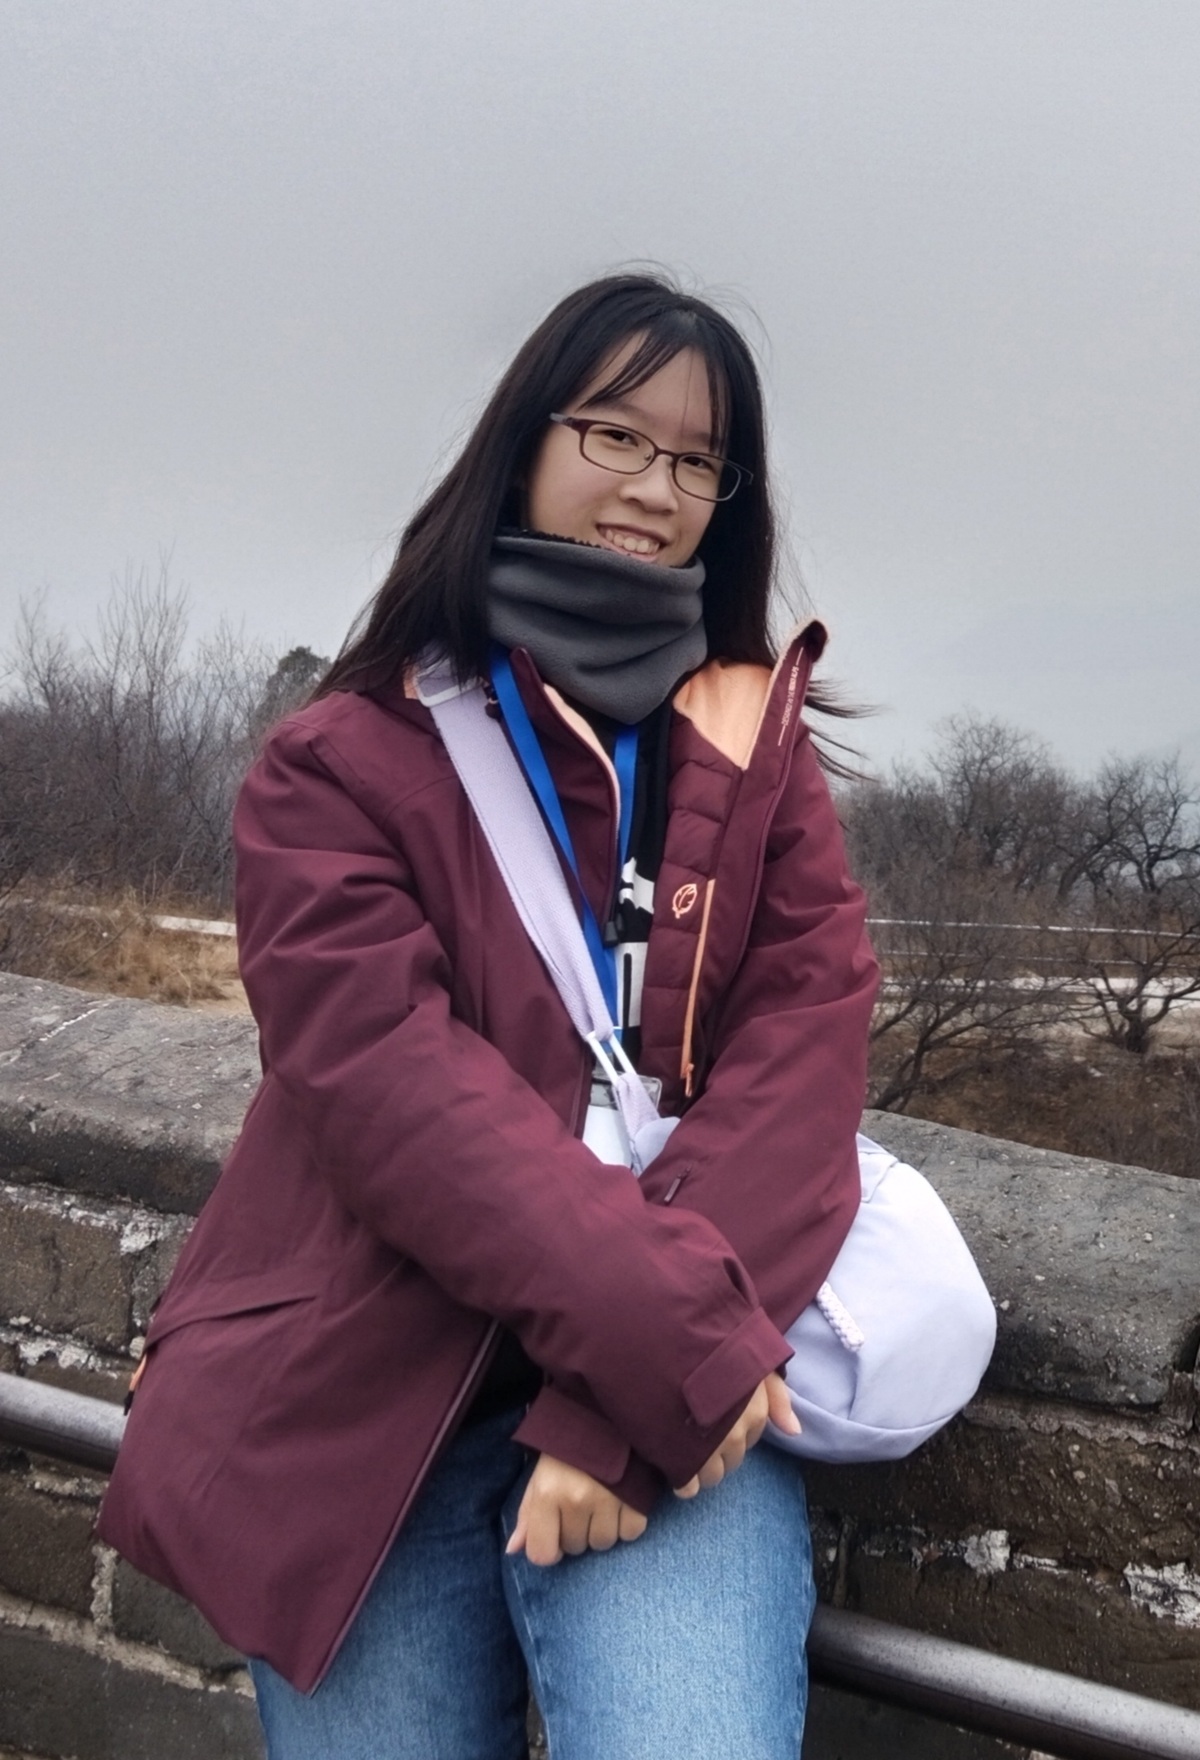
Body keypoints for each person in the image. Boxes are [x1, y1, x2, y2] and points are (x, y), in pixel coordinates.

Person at [98, 272, 879, 1759]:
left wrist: (624, 1403)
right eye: (617, 435)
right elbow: (393, 1096)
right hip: (369, 1393)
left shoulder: (756, 769)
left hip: (664, 1413)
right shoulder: (341, 765)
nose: (655, 488)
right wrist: (664, 1339)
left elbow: (801, 1077)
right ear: (525, 441)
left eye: (700, 460)